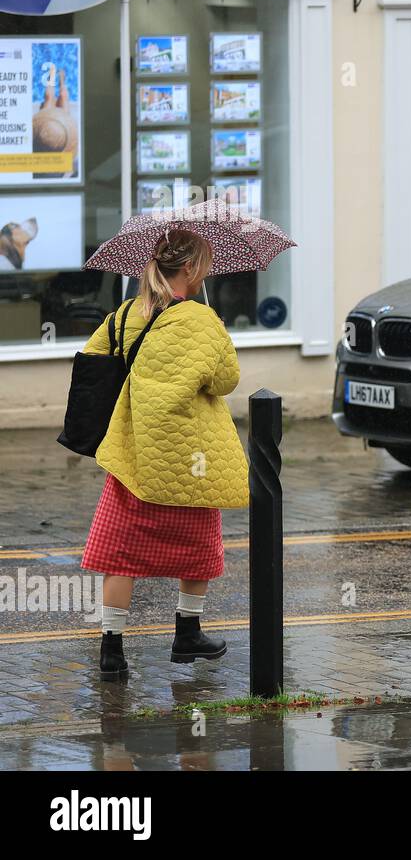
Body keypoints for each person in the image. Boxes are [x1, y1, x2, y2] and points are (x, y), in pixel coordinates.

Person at [80, 229, 249, 680]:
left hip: (135, 453)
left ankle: (111, 650)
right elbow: (226, 379)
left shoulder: (125, 315)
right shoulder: (201, 319)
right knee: (199, 546)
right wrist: (217, 336)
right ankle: (187, 632)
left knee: (120, 553)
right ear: (191, 269)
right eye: (205, 263)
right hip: (191, 455)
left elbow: (93, 357)